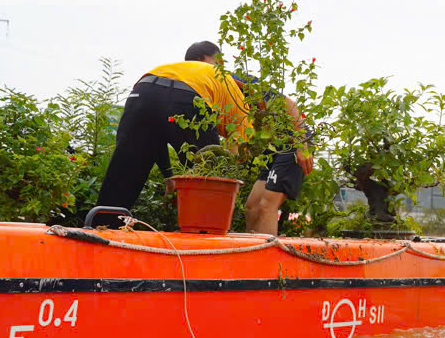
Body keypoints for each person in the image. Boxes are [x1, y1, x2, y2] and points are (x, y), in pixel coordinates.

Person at [95, 51, 252, 225]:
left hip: (144, 90)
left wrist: (168, 175)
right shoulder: (239, 100)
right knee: (210, 173)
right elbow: (238, 152)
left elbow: (155, 135)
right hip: (187, 96)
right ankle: (206, 233)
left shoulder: (191, 71)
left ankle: (102, 227)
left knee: (125, 170)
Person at [184, 41, 313, 235]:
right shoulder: (214, 93)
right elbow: (235, 135)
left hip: (293, 141)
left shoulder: (233, 79)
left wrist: (302, 145)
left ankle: (268, 261)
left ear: (207, 61)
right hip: (274, 147)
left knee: (267, 205)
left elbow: (289, 104)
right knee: (251, 207)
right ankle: (250, 254)